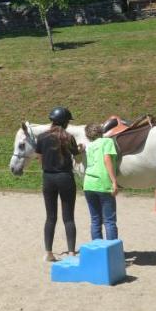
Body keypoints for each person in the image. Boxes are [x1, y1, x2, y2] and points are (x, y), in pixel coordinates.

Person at [36, 107, 80, 262]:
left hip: (48, 178)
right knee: (68, 218)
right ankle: (71, 253)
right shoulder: (69, 137)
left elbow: (39, 157)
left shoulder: (41, 137)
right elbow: (77, 157)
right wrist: (80, 150)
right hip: (65, 177)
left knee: (50, 217)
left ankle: (48, 252)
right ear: (65, 122)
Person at [83, 123, 120, 242]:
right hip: (103, 183)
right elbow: (107, 159)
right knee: (109, 220)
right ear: (101, 132)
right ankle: (111, 251)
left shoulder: (90, 146)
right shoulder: (107, 142)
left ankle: (97, 250)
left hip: (88, 184)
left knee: (95, 220)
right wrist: (114, 181)